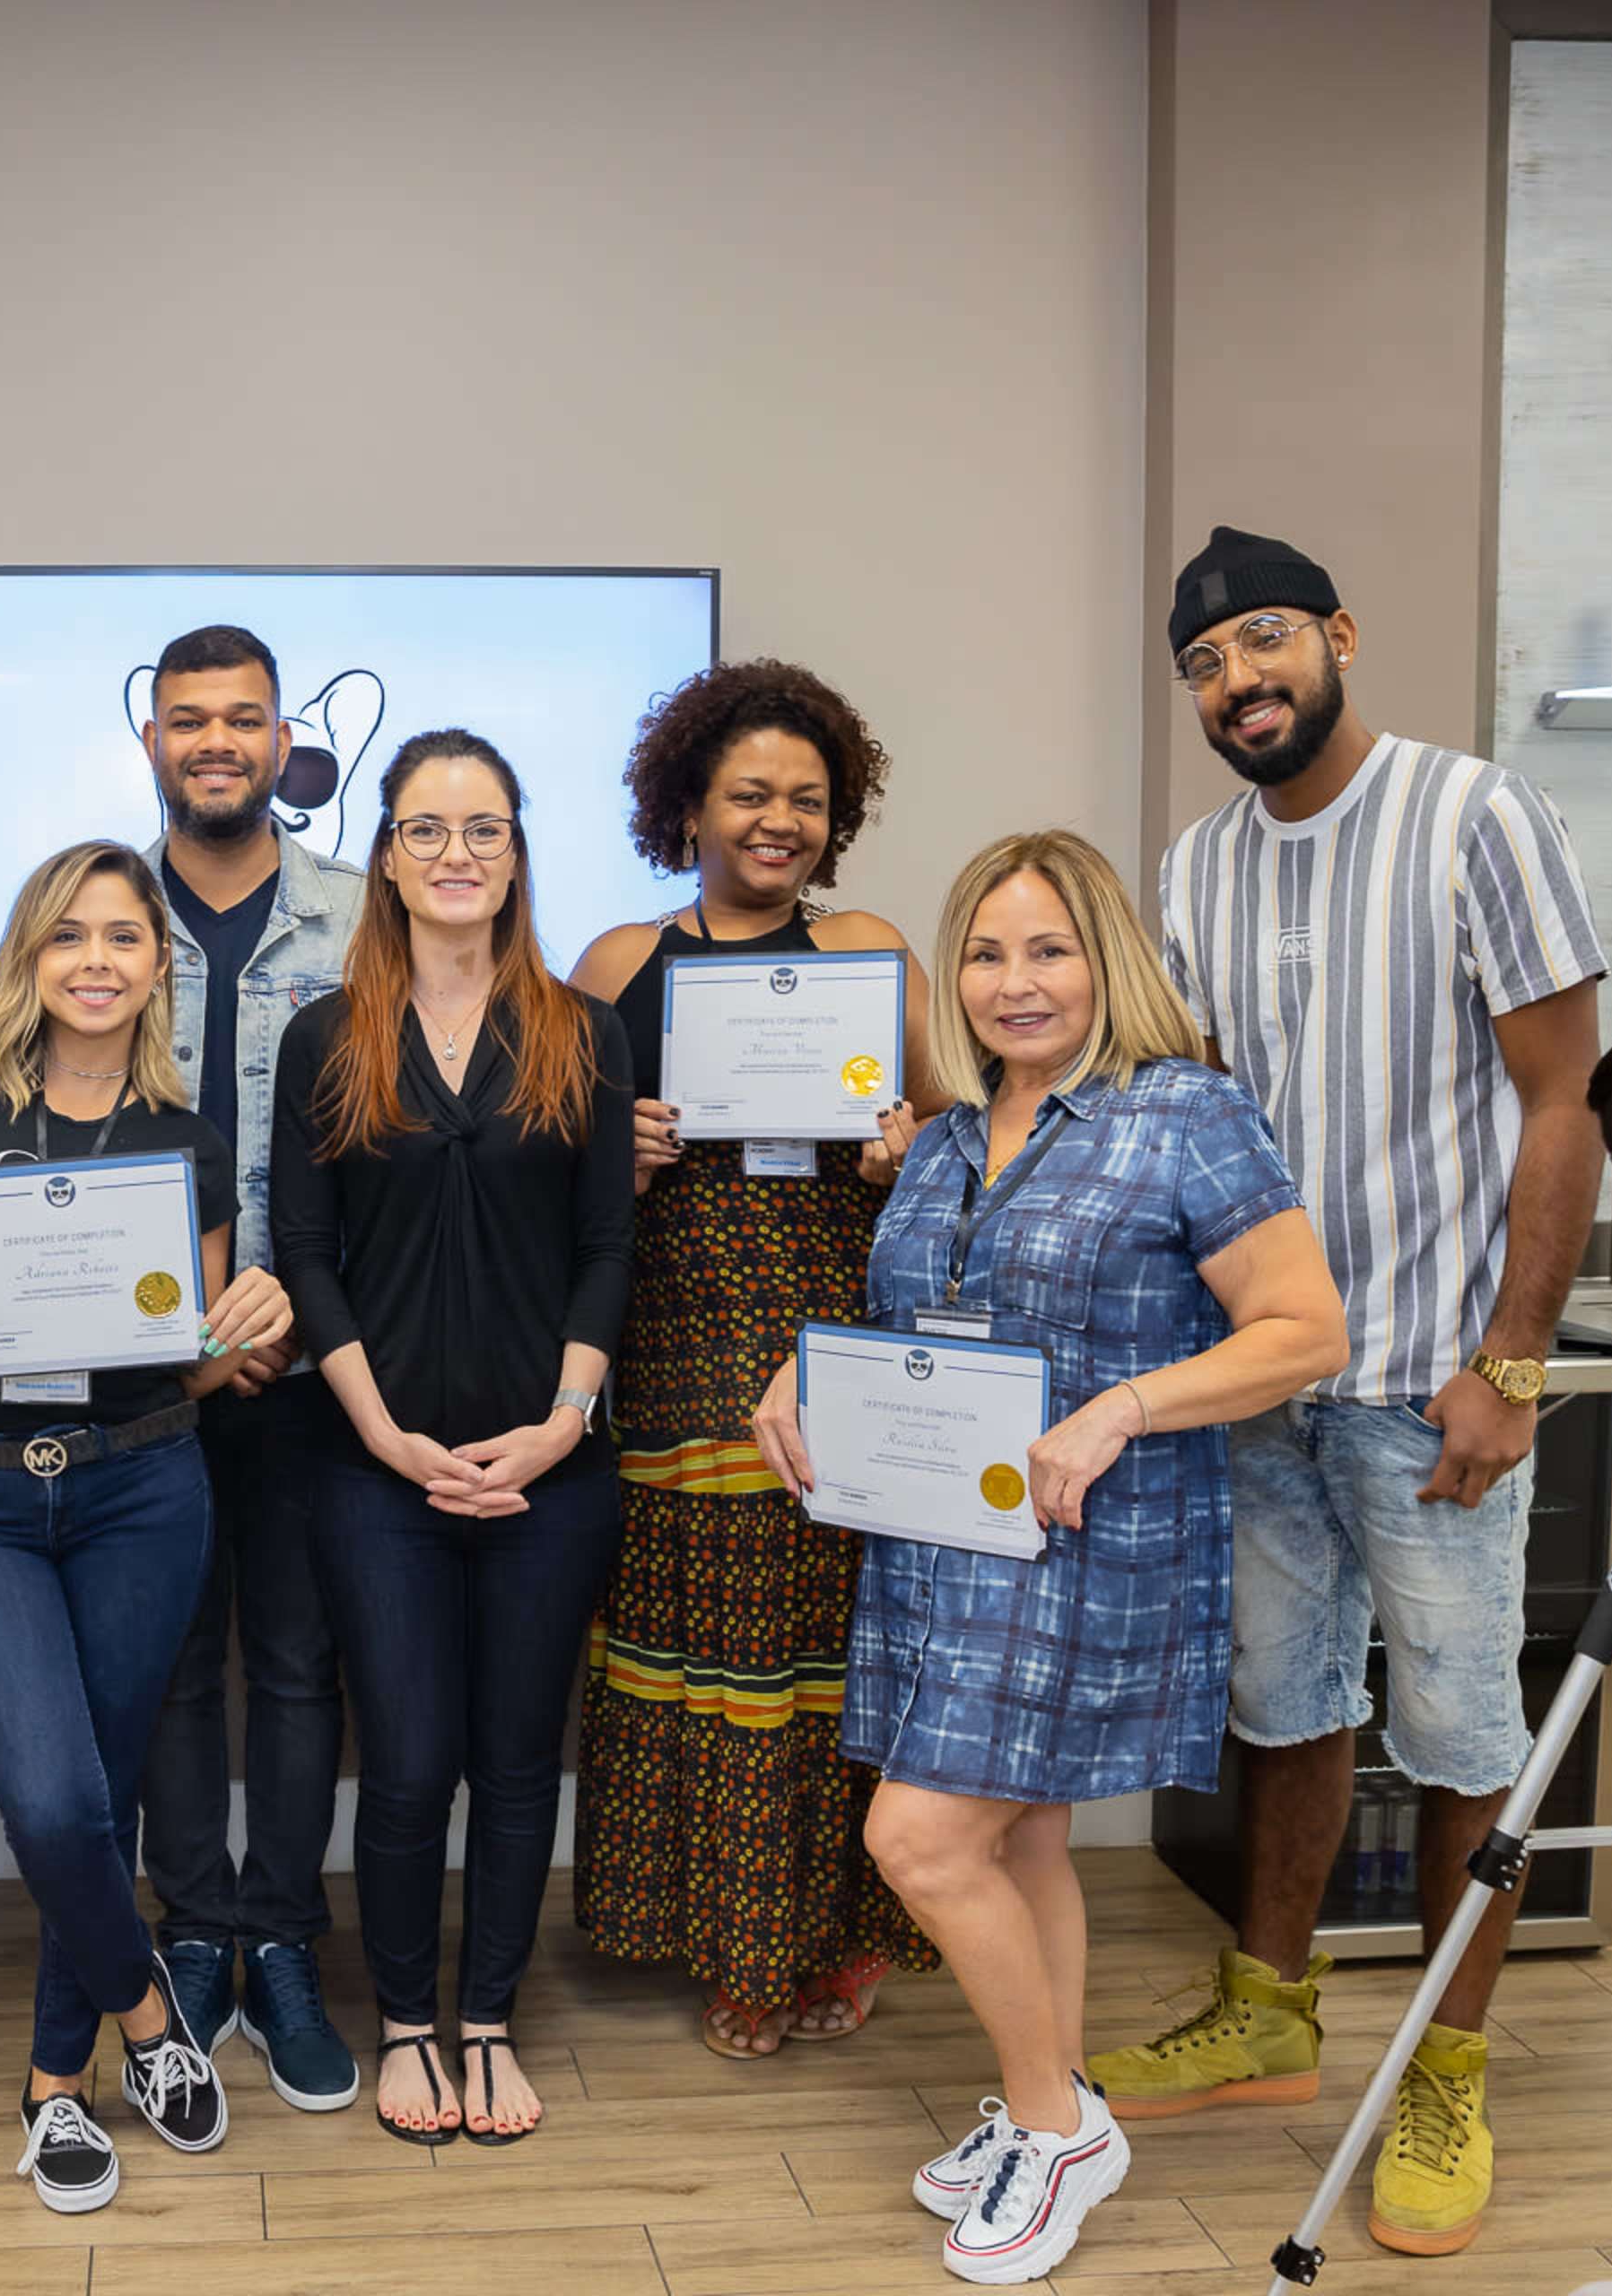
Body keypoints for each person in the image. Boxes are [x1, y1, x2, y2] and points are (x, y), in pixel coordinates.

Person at [1094, 528, 1606, 2259]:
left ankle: (1448, 2070)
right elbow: (1182, 1116)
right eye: (1207, 670)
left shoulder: (1477, 817)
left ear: (1338, 636)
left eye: (1264, 643)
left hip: (1430, 1387)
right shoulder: (1194, 868)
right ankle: (1269, 2006)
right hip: (1261, 1388)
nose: (1241, 682)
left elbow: (1563, 1107)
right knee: (1281, 1702)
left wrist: (1512, 1364)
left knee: (1464, 1735)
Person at [752, 830, 1344, 2285]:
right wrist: (803, 1376)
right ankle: (1051, 2108)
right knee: (1016, 1841)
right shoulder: (949, 1135)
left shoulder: (1183, 1114)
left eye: (1050, 948)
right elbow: (932, 1320)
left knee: (915, 1840)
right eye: (987, 952)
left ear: (1109, 961)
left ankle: (1055, 2125)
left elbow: (1304, 1333)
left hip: (1090, 1543)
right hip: (942, 1539)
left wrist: (1122, 1407)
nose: (1016, 983)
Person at [0, 839, 293, 2214]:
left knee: (94, 1800)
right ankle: (147, 2023)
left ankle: (51, 2092)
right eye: (69, 936)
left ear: (159, 966)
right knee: (49, 1796)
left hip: (139, 1488)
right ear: (32, 954)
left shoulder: (185, 1139)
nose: (97, 961)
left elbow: (195, 1361)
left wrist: (247, 1327)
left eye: (125, 939)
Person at [566, 659, 944, 2060]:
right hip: (676, 1340)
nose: (777, 821)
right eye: (748, 795)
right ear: (690, 804)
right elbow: (546, 1178)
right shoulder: (617, 963)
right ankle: (731, 1943)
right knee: (704, 1656)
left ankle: (832, 1935)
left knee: (827, 1662)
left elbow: (970, 1150)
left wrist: (908, 1147)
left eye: (806, 798)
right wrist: (621, 1157)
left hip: (838, 1330)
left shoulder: (873, 948)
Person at [269, 732, 637, 2147]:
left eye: (484, 829)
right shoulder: (328, 1033)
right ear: (387, 857)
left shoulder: (583, 1030)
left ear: (519, 851)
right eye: (426, 830)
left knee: (515, 1755)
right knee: (412, 1758)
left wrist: (558, 1429)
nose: (457, 855)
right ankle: (408, 2025)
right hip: (376, 1466)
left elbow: (610, 1246)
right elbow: (308, 1254)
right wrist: (388, 1436)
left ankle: (489, 2021)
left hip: (555, 1468)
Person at [133, 624, 367, 2111]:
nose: (217, 742)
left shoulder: (361, 913)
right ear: (149, 741)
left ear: (287, 745)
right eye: (189, 720)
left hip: (320, 1354)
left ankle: (280, 1935)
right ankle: (195, 1932)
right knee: (169, 1673)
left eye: (244, 720)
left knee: (295, 1665)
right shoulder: (94, 912)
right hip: (141, 1371)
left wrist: (301, 1316)